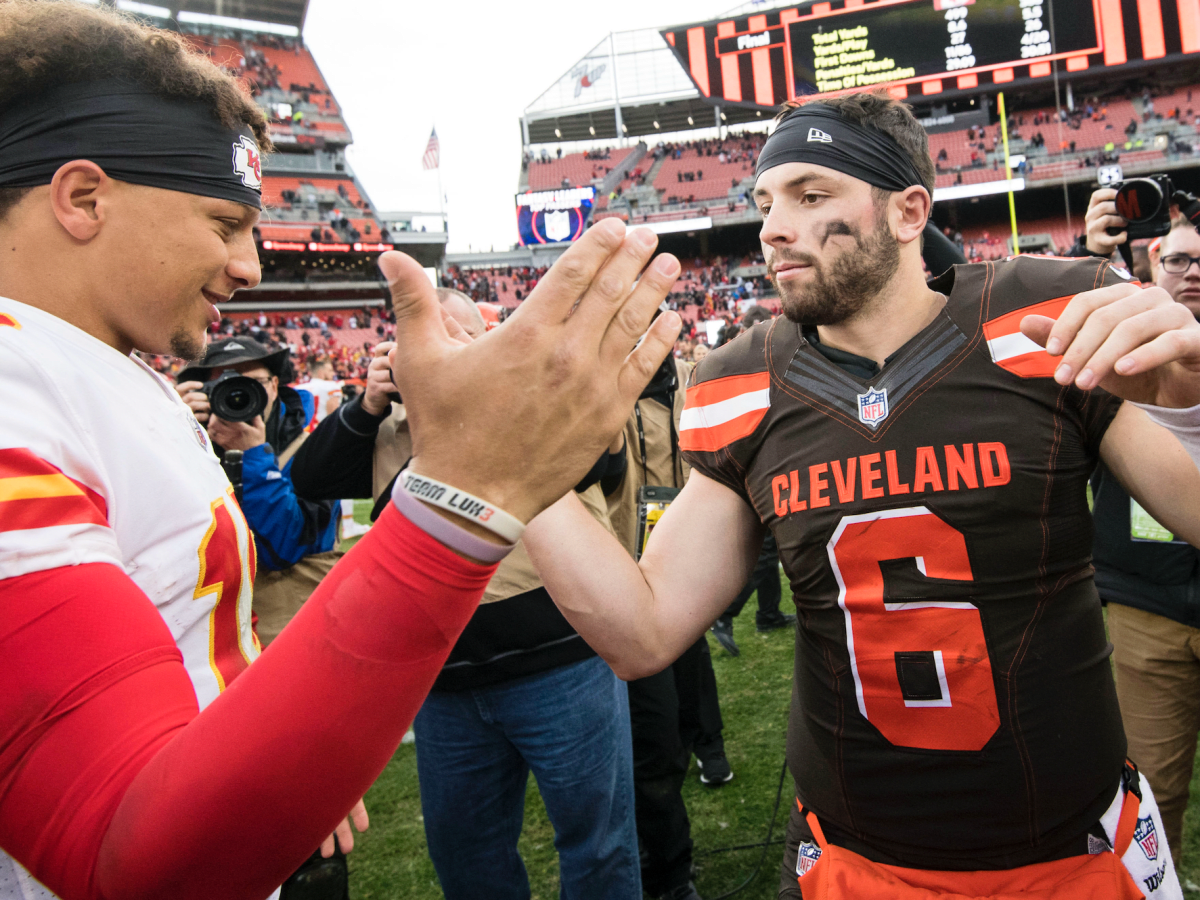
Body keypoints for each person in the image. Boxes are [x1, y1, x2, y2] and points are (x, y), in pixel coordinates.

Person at [0, 4, 683, 897]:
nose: (250, 266)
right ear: (83, 199)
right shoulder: (19, 388)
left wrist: (273, 755)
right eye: (220, 223)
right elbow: (128, 853)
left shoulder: (90, 369)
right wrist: (459, 497)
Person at [518, 92, 1200, 899]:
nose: (773, 227)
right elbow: (643, 629)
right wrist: (518, 471)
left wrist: (1190, 396)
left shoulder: (1040, 320)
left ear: (910, 211)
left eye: (812, 196)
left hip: (1072, 853)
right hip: (856, 863)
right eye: (766, 203)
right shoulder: (743, 378)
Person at [290, 291, 643, 900]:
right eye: (420, 337)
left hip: (561, 664)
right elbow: (307, 484)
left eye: (457, 332)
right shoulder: (390, 422)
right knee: (466, 855)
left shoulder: (537, 400)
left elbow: (603, 467)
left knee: (598, 844)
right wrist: (369, 404)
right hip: (442, 683)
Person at [1082, 206, 1200, 863]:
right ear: (1152, 267)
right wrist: (1094, 261)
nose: (1192, 274)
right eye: (1178, 260)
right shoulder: (1124, 350)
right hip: (1146, 606)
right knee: (1150, 801)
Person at [600, 350, 731, 900]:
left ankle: (711, 747)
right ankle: (670, 873)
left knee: (694, 661)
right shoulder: (606, 396)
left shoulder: (693, 387)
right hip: (623, 568)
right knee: (651, 733)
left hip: (683, 556)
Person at [174, 337, 340, 647]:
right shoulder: (185, 442)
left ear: (275, 385)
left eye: (252, 382)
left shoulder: (314, 448)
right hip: (203, 636)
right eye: (222, 383)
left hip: (288, 633)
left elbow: (285, 550)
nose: (237, 393)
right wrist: (172, 436)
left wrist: (253, 457)